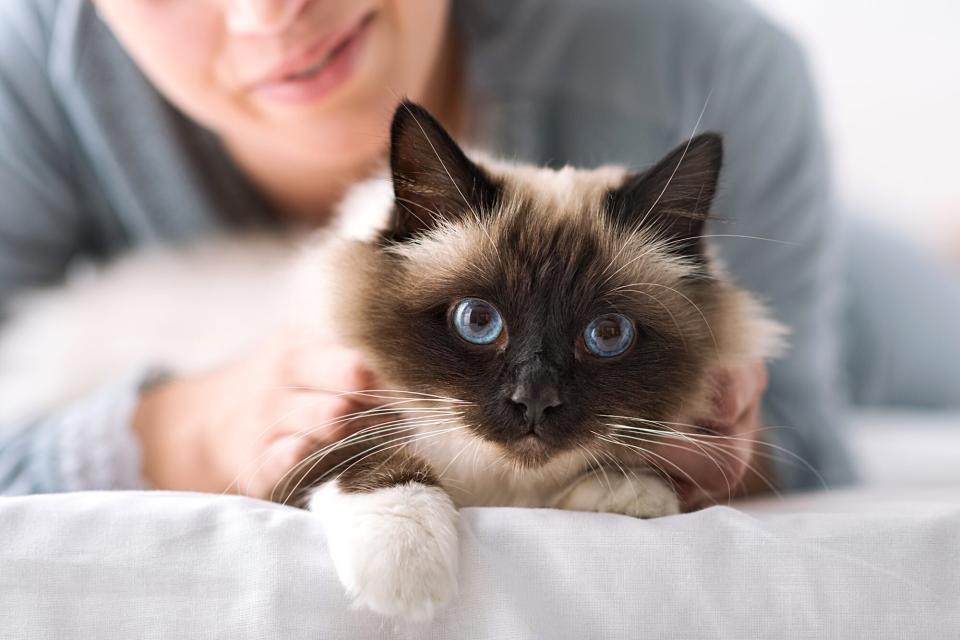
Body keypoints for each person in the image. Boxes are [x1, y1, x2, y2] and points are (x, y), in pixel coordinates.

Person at [0, 0, 956, 503]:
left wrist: (717, 447)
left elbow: (811, 445)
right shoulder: (26, 70)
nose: (269, 13)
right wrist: (195, 430)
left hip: (866, 287)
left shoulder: (709, 61)